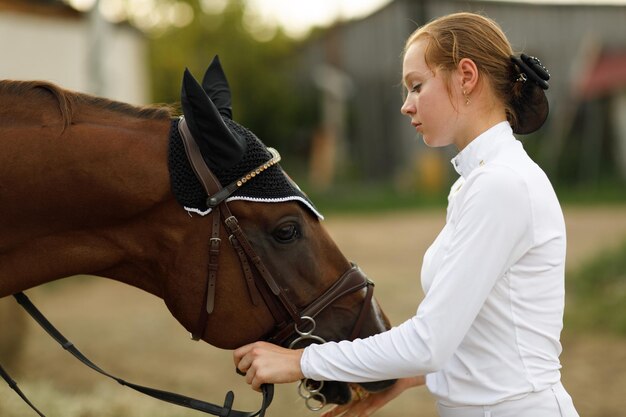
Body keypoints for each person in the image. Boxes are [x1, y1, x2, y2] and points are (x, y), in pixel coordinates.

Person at [234, 12, 580, 417]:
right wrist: (403, 379)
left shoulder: (501, 185)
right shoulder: (475, 183)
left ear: (466, 76)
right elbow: (478, 333)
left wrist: (300, 361)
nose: (406, 105)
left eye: (416, 86)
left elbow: (429, 342)